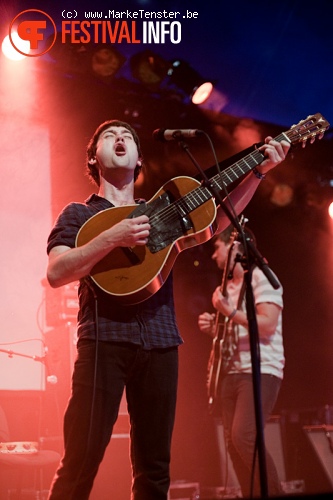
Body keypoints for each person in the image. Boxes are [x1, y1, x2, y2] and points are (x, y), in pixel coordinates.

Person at [46, 118, 290, 500]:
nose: (119, 138)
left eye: (127, 135)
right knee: (82, 458)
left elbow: (216, 222)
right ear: (94, 158)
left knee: (155, 469)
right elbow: (57, 272)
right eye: (108, 136)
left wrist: (258, 173)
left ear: (140, 157)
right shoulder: (78, 214)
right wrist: (113, 237)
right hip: (103, 340)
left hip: (160, 342)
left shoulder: (162, 209)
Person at [198, 225, 284, 497]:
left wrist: (230, 312)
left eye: (217, 247)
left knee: (243, 436)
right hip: (230, 373)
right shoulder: (224, 290)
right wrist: (216, 326)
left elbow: (268, 324)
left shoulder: (261, 278)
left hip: (259, 369)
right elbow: (236, 330)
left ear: (234, 247)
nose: (213, 256)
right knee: (233, 444)